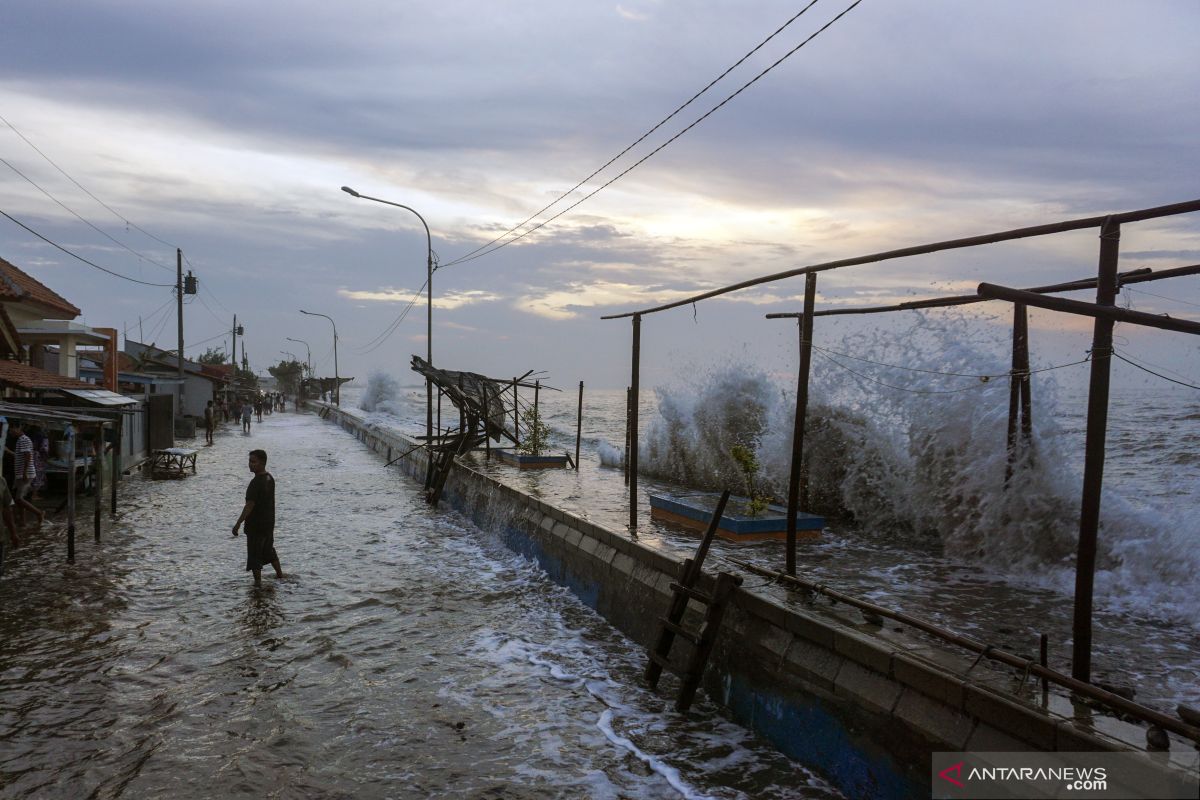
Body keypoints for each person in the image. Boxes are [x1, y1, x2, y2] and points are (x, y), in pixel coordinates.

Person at [231, 449, 282, 587]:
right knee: (269, 550)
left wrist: (238, 524)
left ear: (262, 463)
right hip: (268, 524)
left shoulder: (255, 483)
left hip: (256, 526)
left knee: (254, 556)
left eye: (253, 462)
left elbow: (249, 506)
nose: (250, 464)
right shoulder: (269, 478)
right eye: (249, 461)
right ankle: (280, 575)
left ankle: (257, 586)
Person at [5, 421, 45, 528]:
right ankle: (22, 521)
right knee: (19, 498)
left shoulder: (24, 439)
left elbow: (28, 456)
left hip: (25, 473)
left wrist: (24, 472)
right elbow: (20, 456)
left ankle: (39, 513)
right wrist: (7, 450)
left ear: (18, 428)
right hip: (21, 473)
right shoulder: (21, 440)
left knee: (18, 499)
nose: (10, 432)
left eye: (11, 429)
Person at [29, 426, 49, 501]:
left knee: (34, 476)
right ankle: (34, 495)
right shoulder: (44, 437)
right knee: (38, 476)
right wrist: (46, 458)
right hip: (39, 458)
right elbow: (44, 449)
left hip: (34, 456)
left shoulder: (33, 437)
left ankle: (33, 494)